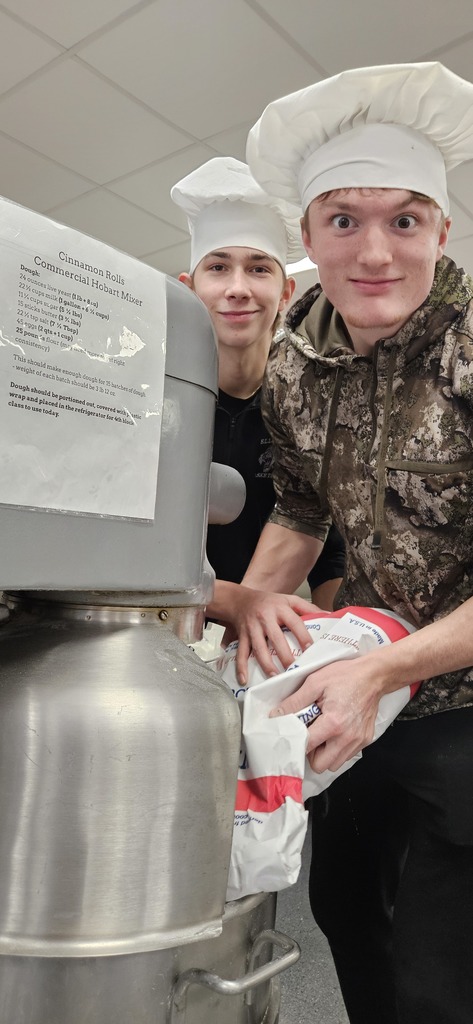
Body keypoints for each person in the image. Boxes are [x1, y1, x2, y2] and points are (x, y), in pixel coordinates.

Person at [219, 61, 473, 1024]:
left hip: (458, 701)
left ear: (440, 231)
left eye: (404, 220)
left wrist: (387, 669)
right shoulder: (292, 364)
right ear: (306, 235)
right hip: (359, 688)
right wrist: (241, 631)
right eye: (343, 220)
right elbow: (298, 509)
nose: (374, 252)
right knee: (345, 915)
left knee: (437, 971)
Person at [170, 157, 345, 630]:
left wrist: (341, 634)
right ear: (190, 288)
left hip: (265, 629)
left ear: (287, 291)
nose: (237, 288)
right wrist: (236, 605)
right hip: (167, 626)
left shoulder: (312, 407)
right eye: (219, 267)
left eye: (259, 269)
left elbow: (330, 549)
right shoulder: (157, 405)